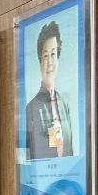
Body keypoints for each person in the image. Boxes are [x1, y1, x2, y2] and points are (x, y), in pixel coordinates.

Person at [24, 20, 74, 159]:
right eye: (45, 55)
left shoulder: (64, 104)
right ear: (40, 61)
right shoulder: (31, 108)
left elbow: (70, 151)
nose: (50, 62)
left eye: (53, 54)